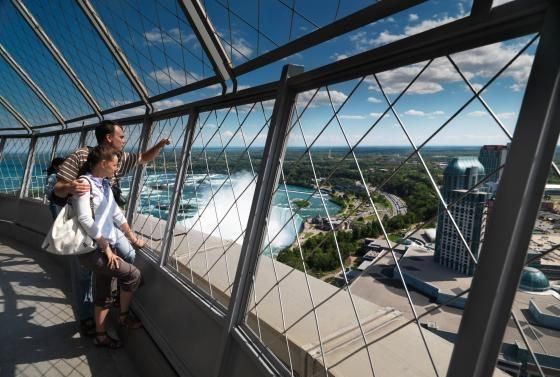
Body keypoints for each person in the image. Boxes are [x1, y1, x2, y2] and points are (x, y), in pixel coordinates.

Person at [53, 120, 170, 335]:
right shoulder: (81, 156)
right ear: (109, 138)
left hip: (106, 220)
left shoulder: (119, 158)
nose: (125, 141)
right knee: (83, 275)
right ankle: (88, 318)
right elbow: (58, 189)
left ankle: (111, 298)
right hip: (82, 225)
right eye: (122, 137)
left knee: (128, 253)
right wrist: (70, 186)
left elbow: (143, 158)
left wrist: (160, 145)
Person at [74, 145, 144, 348]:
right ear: (103, 163)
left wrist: (132, 237)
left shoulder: (104, 184)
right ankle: (123, 316)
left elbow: (116, 214)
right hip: (93, 250)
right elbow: (85, 219)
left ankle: (101, 336)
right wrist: (106, 248)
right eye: (114, 165)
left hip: (105, 248)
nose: (116, 168)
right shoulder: (84, 184)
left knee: (103, 294)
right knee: (133, 275)